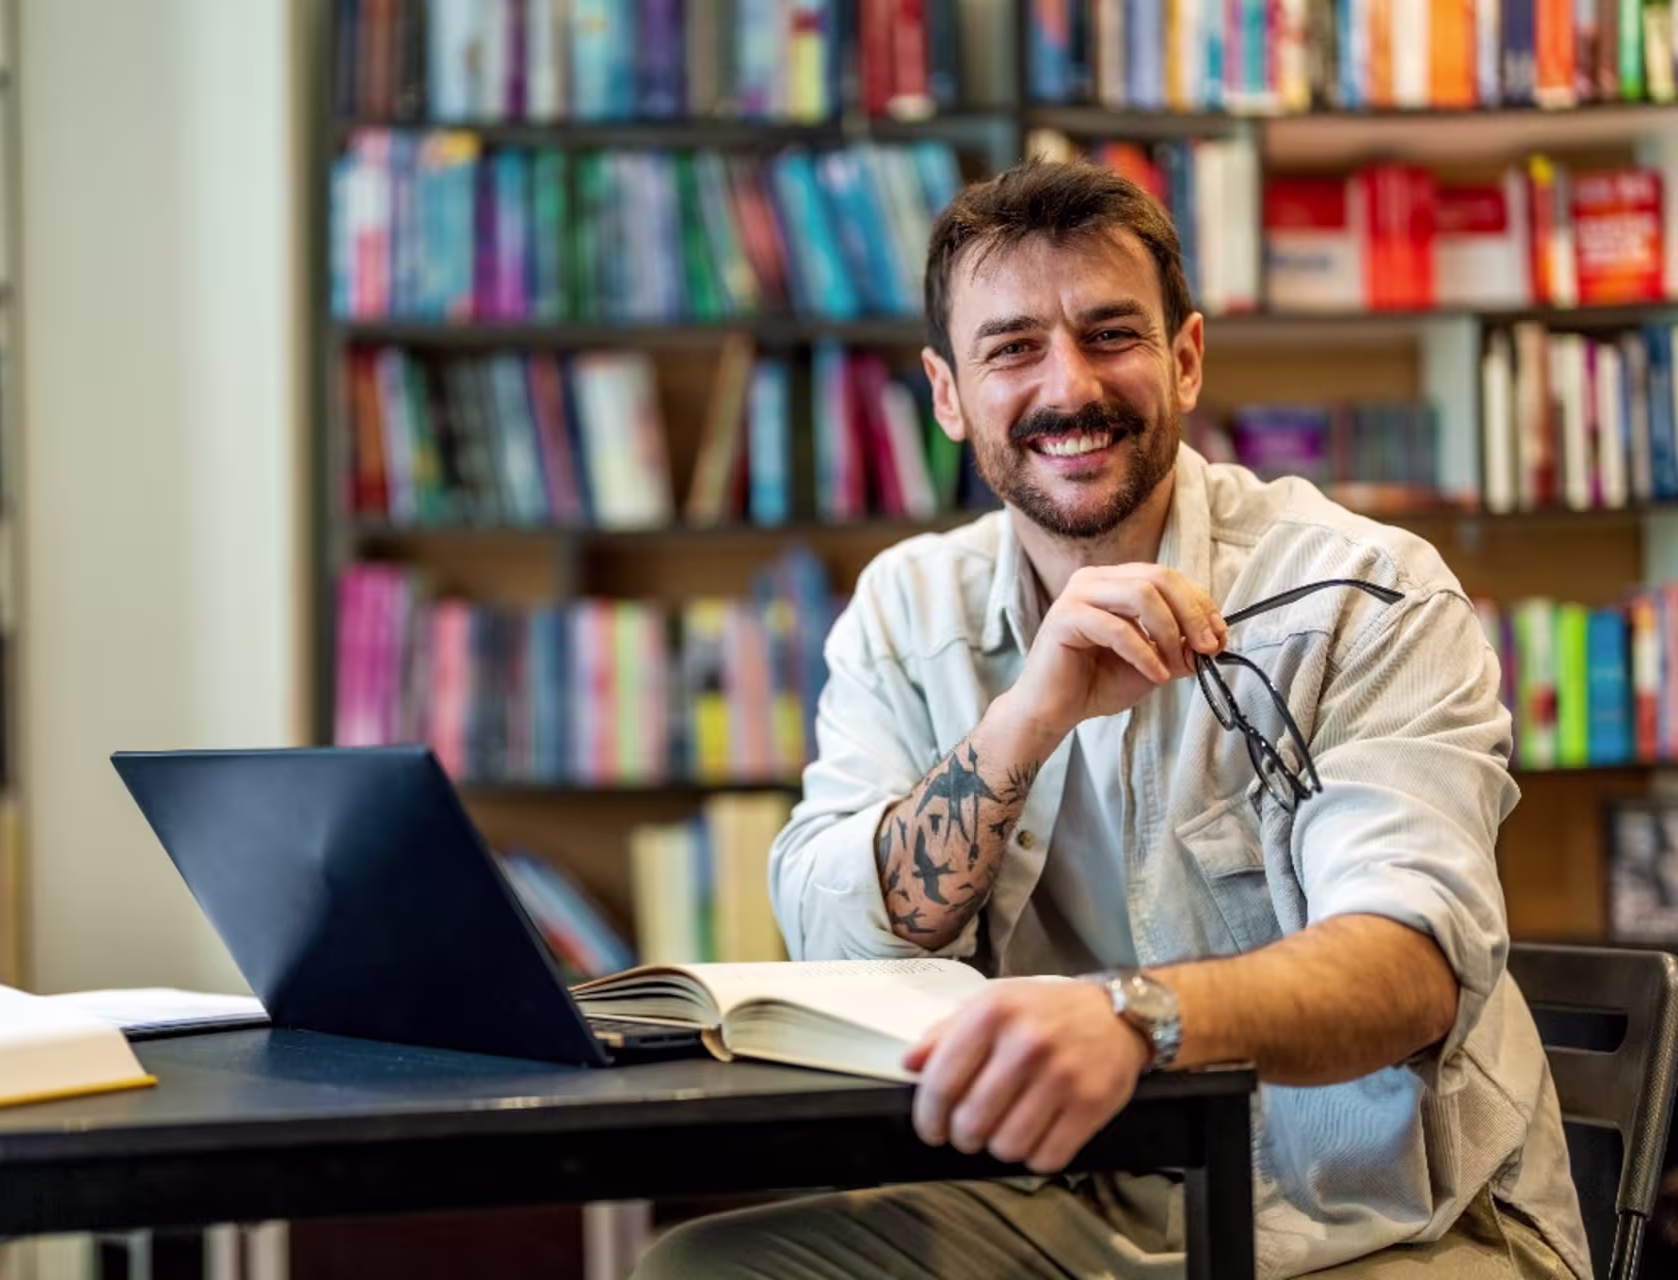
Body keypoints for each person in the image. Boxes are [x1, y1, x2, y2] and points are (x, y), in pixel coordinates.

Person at [633, 158, 1589, 1279]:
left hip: (1379, 1221)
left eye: (1110, 333)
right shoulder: (909, 607)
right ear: (948, 394)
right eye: (1013, 348)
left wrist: (1133, 1016)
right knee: (704, 1268)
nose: (1068, 385)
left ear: (1185, 359)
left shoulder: (1364, 591)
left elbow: (1410, 965)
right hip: (1060, 1209)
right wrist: (1023, 721)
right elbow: (836, 938)